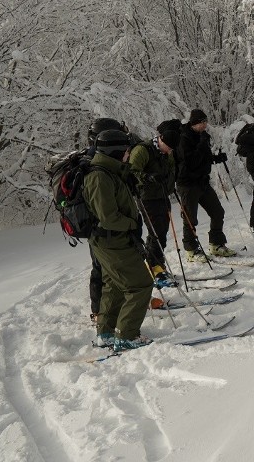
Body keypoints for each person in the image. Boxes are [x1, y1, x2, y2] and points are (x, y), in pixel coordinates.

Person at [84, 129, 153, 351]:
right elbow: (108, 217)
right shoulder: (99, 176)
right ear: (114, 151)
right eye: (126, 151)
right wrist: (133, 224)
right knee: (140, 285)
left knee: (113, 286)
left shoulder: (110, 171)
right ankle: (127, 335)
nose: (128, 154)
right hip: (112, 241)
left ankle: (106, 333)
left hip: (114, 240)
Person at [176, 109, 236, 261]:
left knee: (217, 212)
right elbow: (191, 162)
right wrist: (202, 144)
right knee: (190, 218)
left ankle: (216, 244)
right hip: (188, 184)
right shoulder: (184, 138)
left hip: (202, 182)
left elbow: (203, 158)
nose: (205, 125)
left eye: (205, 122)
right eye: (202, 122)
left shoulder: (202, 136)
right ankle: (191, 251)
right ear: (194, 123)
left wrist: (216, 158)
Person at [84, 118, 124, 321]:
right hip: (100, 227)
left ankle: (115, 305)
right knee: (101, 267)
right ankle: (99, 312)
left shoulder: (97, 157)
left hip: (103, 224)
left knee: (110, 267)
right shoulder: (95, 162)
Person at [128, 121, 177, 286]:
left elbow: (171, 169)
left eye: (171, 150)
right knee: (156, 232)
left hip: (162, 195)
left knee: (161, 231)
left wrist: (169, 183)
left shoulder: (167, 152)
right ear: (160, 140)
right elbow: (131, 172)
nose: (169, 151)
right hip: (147, 197)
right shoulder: (143, 150)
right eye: (168, 148)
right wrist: (148, 177)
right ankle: (155, 269)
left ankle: (157, 266)